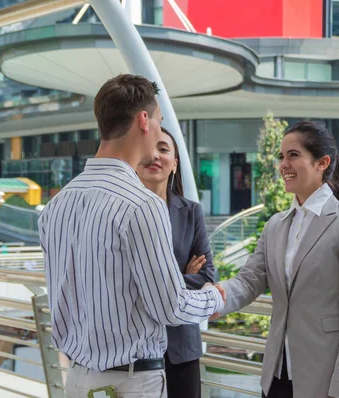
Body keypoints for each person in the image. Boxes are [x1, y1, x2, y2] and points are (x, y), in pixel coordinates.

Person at [38, 74, 225, 398]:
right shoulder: (141, 205)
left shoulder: (57, 205)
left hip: (77, 380)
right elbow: (170, 306)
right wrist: (216, 295)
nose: (157, 129)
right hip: (131, 384)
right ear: (143, 120)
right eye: (158, 120)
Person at [216, 121, 339, 398]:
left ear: (322, 163)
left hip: (326, 381)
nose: (283, 165)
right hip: (278, 375)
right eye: (281, 156)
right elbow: (249, 281)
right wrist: (216, 295)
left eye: (293, 155)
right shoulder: (276, 226)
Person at [137, 127, 215, 398]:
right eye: (148, 148)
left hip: (182, 347)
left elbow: (207, 275)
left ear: (174, 164)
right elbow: (122, 280)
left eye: (163, 149)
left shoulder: (191, 211)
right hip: (136, 352)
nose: (154, 155)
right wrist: (181, 276)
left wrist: (155, 283)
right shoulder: (122, 210)